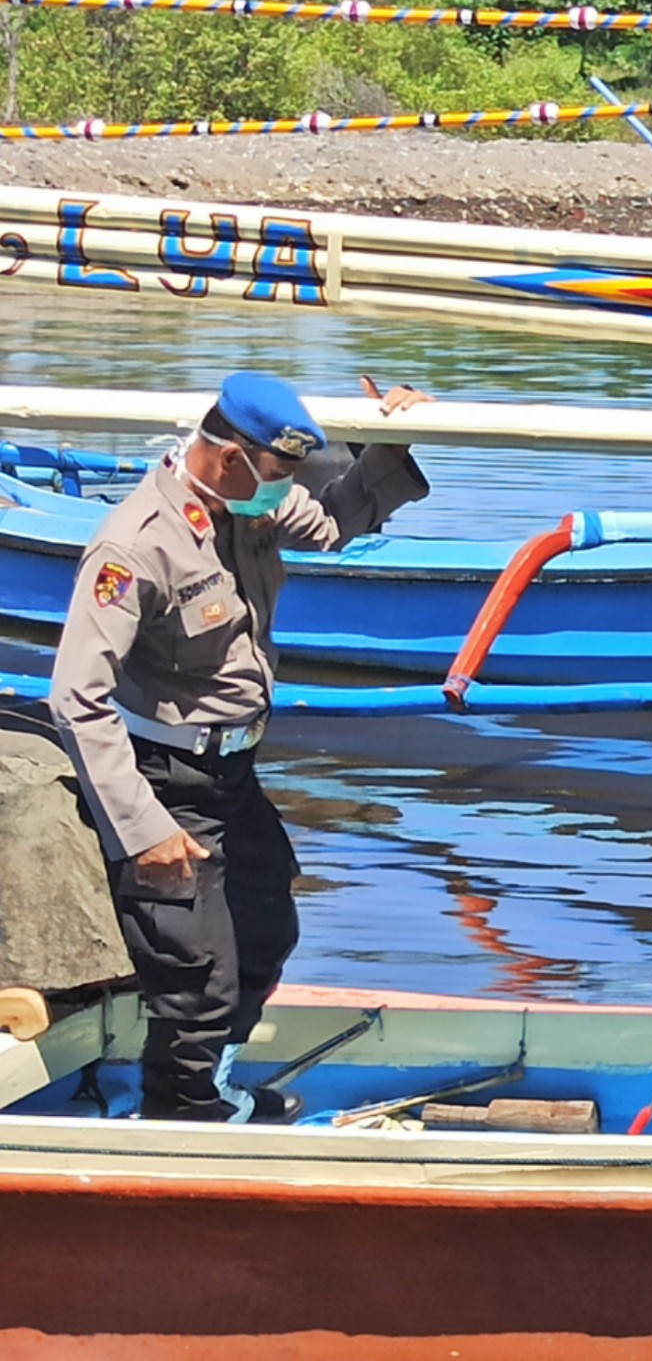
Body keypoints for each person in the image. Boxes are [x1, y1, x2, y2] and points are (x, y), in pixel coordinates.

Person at [50, 372, 434, 1121]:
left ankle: (209, 1082)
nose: (286, 492)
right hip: (163, 777)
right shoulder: (136, 546)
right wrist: (143, 827)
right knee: (198, 973)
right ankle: (182, 1116)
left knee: (265, 926)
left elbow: (329, 524)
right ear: (230, 457)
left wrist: (388, 440)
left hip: (233, 768)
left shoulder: (245, 502)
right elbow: (76, 698)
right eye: (278, 475)